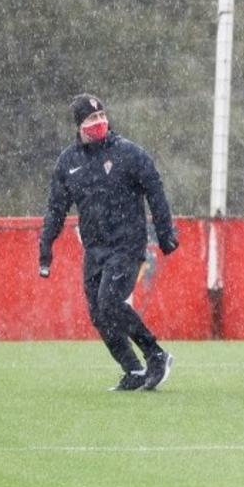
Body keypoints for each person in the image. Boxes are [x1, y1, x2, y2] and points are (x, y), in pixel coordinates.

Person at [38, 94, 178, 391]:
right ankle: (133, 370)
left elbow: (155, 189)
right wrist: (46, 246)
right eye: (91, 118)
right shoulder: (68, 162)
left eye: (101, 115)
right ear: (78, 125)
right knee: (98, 314)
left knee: (111, 303)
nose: (99, 121)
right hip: (95, 248)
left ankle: (156, 354)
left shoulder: (129, 153)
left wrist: (165, 232)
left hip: (127, 244)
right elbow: (56, 208)